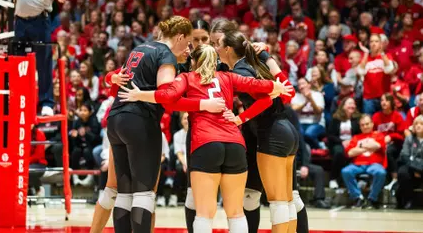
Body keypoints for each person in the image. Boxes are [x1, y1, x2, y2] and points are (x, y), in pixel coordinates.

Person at [118, 45, 290, 233]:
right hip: (235, 144)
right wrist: (276, 86)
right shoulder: (229, 77)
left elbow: (167, 97)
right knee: (236, 213)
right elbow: (258, 85)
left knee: (204, 214)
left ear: (194, 62)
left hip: (206, 144)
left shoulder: (186, 77)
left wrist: (139, 94)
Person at [106, 16, 223, 233]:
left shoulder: (139, 48)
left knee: (124, 192)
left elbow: (118, 80)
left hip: (115, 119)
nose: (188, 48)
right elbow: (167, 96)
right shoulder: (165, 55)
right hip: (139, 121)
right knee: (143, 193)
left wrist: (108, 79)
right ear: (179, 37)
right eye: (187, 42)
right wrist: (203, 104)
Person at [214, 30, 300, 233]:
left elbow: (266, 99)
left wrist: (239, 118)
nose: (215, 48)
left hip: (272, 133)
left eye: (218, 44)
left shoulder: (242, 71)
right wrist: (267, 57)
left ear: (227, 49)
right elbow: (289, 92)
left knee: (278, 201)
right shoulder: (255, 64)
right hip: (287, 131)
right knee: (287, 200)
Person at [9, 0, 66, 116]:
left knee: (43, 62)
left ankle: (46, 103)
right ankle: (20, 100)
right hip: (20, 24)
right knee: (19, 63)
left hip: (40, 23)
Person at [341, 114, 387, 209]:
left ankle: (372, 199)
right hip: (357, 164)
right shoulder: (356, 138)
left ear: (372, 124)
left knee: (381, 172)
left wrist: (359, 147)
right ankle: (357, 197)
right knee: (346, 171)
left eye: (367, 124)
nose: (365, 126)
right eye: (362, 125)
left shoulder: (378, 134)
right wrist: (367, 146)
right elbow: (350, 153)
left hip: (374, 164)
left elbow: (377, 146)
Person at [396, 115, 423, 209]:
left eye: (421, 124)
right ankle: (408, 200)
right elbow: (404, 156)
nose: (418, 126)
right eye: (416, 124)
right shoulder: (409, 138)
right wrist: (415, 169)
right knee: (402, 172)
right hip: (411, 167)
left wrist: (419, 170)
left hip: (421, 168)